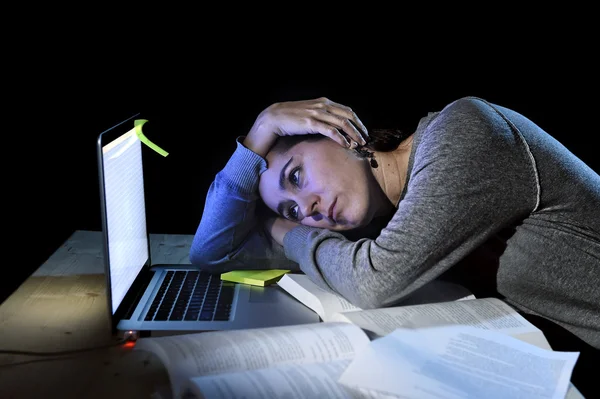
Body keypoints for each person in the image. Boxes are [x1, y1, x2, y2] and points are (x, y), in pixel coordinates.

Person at [190, 97, 600, 353]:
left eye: (296, 177)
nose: (308, 209)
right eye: (292, 210)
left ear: (337, 134)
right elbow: (213, 253)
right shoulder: (383, 226)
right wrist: (257, 139)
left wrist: (284, 228)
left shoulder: (465, 131)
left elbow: (374, 282)